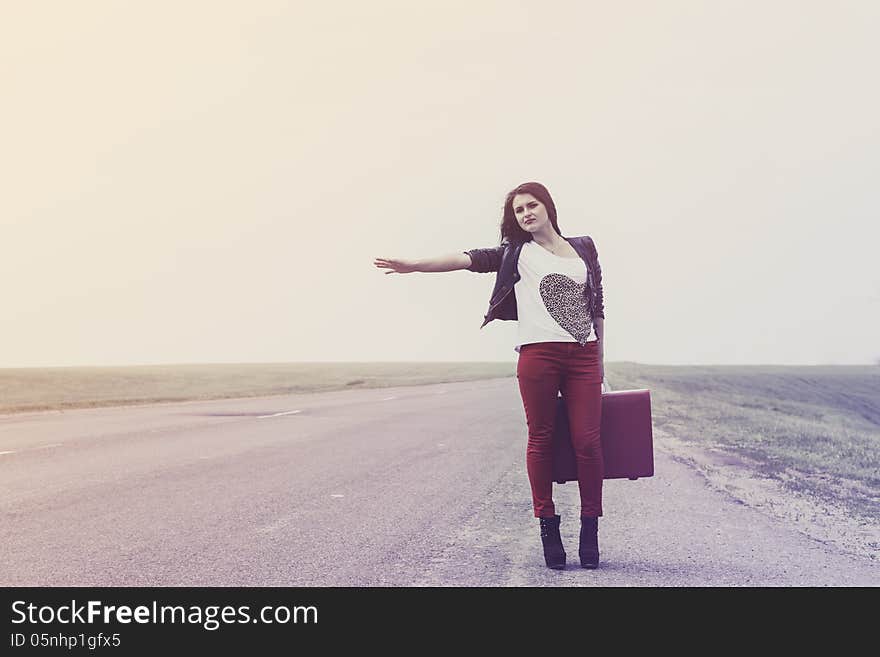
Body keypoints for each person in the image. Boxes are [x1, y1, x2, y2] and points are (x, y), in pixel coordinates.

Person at [373, 181, 606, 570]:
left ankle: (590, 528)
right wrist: (415, 265)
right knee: (542, 440)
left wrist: (600, 358)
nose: (527, 213)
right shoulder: (516, 253)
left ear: (548, 206)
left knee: (588, 443)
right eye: (519, 210)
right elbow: (467, 258)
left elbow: (597, 304)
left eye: (532, 205)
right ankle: (548, 525)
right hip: (538, 354)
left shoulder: (583, 247)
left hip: (583, 356)